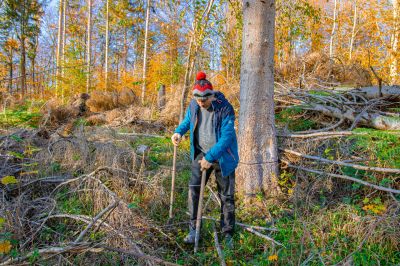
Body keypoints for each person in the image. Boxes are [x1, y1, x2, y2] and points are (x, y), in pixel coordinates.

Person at [171, 71, 239, 248]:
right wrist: (179, 131)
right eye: (197, 98)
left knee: (227, 196)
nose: (201, 102)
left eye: (204, 99)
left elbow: (227, 137)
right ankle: (194, 230)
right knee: (193, 191)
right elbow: (188, 120)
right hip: (201, 154)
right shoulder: (194, 105)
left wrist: (211, 157)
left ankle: (227, 233)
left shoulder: (225, 108)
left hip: (224, 157)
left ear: (212, 95)